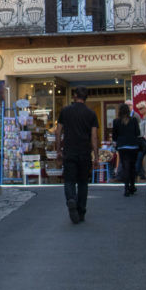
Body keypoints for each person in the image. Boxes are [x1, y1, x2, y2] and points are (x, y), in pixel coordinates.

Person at [55, 86, 98, 223]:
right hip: (84, 152)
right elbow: (94, 136)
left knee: (69, 181)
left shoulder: (65, 111)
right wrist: (96, 155)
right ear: (86, 98)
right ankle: (81, 210)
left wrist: (58, 150)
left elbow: (58, 131)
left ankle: (71, 199)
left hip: (69, 151)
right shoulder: (91, 114)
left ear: (74, 96)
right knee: (83, 183)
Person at [112, 102, 142, 196]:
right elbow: (138, 133)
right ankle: (132, 186)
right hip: (133, 145)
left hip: (122, 146)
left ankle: (126, 188)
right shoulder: (133, 120)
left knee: (125, 166)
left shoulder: (116, 121)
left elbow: (114, 136)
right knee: (132, 166)